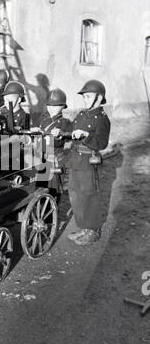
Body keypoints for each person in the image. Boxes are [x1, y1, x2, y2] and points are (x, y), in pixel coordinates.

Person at [67, 80, 111, 246]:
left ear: (99, 98)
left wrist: (85, 135)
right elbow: (71, 130)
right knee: (75, 193)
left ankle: (93, 230)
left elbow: (101, 143)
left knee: (89, 194)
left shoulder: (102, 119)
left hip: (89, 160)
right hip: (75, 160)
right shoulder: (80, 114)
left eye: (88, 96)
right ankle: (83, 227)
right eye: (84, 97)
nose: (85, 99)